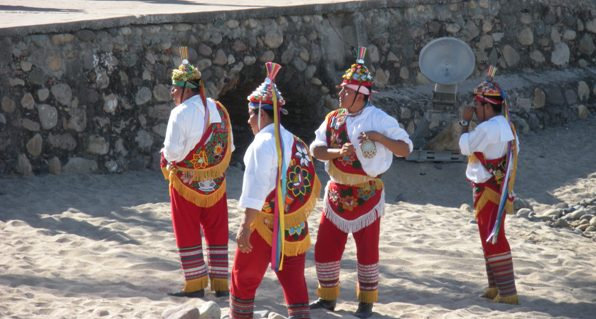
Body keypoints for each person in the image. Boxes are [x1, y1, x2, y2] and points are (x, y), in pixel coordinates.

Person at [309, 47, 413, 318]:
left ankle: (365, 304)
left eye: (345, 90)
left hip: (367, 193)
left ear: (361, 94)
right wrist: (337, 153)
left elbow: (405, 149)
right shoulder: (333, 118)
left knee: (367, 251)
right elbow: (316, 149)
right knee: (325, 247)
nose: (340, 94)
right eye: (341, 89)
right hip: (335, 193)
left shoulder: (379, 119)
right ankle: (327, 298)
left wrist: (379, 138)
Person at [229, 62, 321, 319]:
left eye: (250, 114)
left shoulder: (263, 144)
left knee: (243, 277)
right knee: (293, 280)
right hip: (294, 224)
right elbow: (309, 181)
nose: (248, 120)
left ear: (263, 114)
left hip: (265, 223)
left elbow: (255, 189)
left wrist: (245, 227)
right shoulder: (297, 141)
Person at [160, 47, 233, 298]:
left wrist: (168, 159)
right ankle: (221, 285)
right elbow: (229, 146)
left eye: (174, 87)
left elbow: (172, 153)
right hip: (216, 183)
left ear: (186, 89)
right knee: (217, 230)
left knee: (187, 229)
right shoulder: (219, 108)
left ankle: (195, 284)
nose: (171, 92)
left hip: (187, 183)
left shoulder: (179, 113)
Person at [458, 66, 520, 305]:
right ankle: (496, 286)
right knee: (488, 234)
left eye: (477, 106)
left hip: (489, 189)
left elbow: (464, 145)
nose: (475, 111)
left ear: (486, 106)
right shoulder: (505, 126)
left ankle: (507, 291)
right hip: (493, 187)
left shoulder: (487, 128)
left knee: (493, 236)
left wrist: (464, 122)